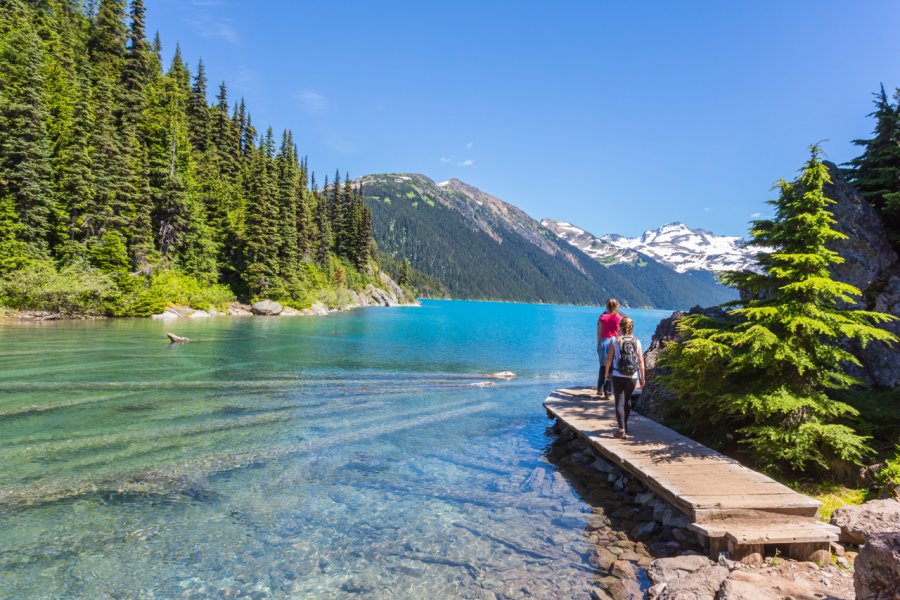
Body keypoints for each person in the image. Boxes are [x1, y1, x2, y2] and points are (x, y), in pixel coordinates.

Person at [604, 317, 645, 439]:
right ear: (632, 327)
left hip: (618, 375)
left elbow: (609, 358)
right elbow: (641, 361)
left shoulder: (615, 340)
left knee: (619, 402)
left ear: (620, 327)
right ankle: (625, 427)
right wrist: (643, 377)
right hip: (632, 376)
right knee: (627, 401)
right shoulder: (637, 341)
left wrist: (606, 372)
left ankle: (621, 431)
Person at [596, 298, 622, 398]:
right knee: (611, 368)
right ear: (617, 307)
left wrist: (598, 345)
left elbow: (599, 333)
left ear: (607, 306)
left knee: (603, 366)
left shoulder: (602, 317)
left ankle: (599, 388)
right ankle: (608, 391)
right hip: (614, 343)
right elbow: (620, 333)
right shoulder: (619, 318)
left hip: (603, 342)